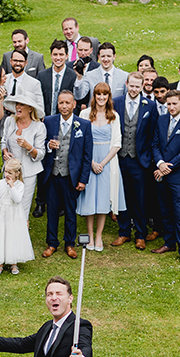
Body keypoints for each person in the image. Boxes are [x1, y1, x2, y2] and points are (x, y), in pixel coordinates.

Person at [42, 90, 92, 259]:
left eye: (67, 103)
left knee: (71, 212)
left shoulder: (84, 125)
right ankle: (52, 243)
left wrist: (83, 179)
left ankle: (70, 244)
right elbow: (41, 145)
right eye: (61, 103)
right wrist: (49, 145)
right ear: (58, 104)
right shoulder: (49, 121)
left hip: (72, 176)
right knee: (52, 211)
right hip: (52, 174)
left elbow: (87, 155)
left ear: (74, 104)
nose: (64, 106)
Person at [150, 90, 180, 267]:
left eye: (174, 104)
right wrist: (160, 163)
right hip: (161, 172)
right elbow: (155, 144)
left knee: (179, 213)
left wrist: (165, 168)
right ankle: (169, 243)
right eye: (168, 104)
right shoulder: (162, 119)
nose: (170, 107)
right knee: (165, 211)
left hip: (178, 176)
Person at [110, 72, 155, 250]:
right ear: (127, 84)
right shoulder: (116, 103)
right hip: (120, 157)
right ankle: (124, 232)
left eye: (138, 86)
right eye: (132, 85)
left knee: (140, 198)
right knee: (122, 195)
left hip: (140, 159)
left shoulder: (149, 106)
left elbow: (153, 134)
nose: (134, 89)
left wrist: (148, 156)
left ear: (142, 86)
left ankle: (141, 234)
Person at [75, 82, 122, 251]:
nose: (101, 98)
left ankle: (99, 235)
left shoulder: (114, 116)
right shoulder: (85, 113)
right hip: (89, 159)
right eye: (98, 94)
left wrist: (102, 163)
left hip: (107, 162)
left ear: (109, 96)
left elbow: (117, 143)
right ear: (94, 96)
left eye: (105, 94)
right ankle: (89, 235)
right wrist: (91, 162)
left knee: (102, 200)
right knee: (89, 200)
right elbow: (79, 140)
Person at [0, 158, 32, 275]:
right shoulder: (0, 183)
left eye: (10, 173)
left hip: (14, 214)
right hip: (1, 213)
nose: (7, 175)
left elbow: (17, 199)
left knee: (12, 235)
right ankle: (0, 262)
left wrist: (11, 186)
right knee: (1, 235)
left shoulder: (19, 185)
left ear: (17, 173)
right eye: (5, 172)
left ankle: (13, 262)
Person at [2, 91, 47, 219]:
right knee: (7, 204)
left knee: (22, 207)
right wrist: (5, 151)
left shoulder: (39, 127)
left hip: (28, 173)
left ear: (30, 108)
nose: (18, 107)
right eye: (17, 104)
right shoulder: (10, 121)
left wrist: (29, 146)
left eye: (22, 104)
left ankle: (21, 235)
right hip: (9, 171)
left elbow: (40, 154)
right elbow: (4, 140)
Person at [38, 40, 79, 119]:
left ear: (67, 56)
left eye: (61, 54)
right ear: (51, 55)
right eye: (55, 54)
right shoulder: (42, 75)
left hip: (65, 119)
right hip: (45, 119)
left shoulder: (73, 76)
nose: (58, 58)